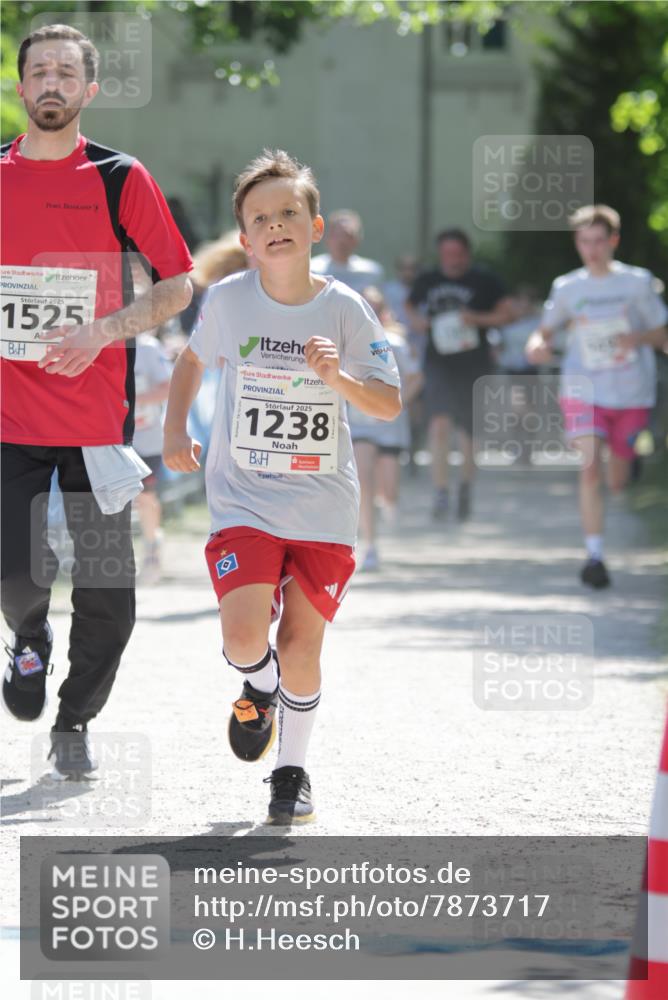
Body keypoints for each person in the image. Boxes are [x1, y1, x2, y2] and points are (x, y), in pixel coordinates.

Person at [163, 149, 401, 824]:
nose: (276, 225)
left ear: (315, 226)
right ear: (244, 238)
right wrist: (174, 431)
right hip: (244, 498)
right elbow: (189, 362)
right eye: (260, 217)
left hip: (323, 507)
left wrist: (339, 381)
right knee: (245, 638)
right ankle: (257, 684)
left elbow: (386, 405)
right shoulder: (231, 301)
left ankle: (290, 772)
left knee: (302, 648)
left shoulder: (347, 309)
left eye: (289, 212)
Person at [1, 25, 192, 777]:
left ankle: (74, 721)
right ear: (20, 89)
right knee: (14, 570)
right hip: (8, 417)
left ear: (89, 90)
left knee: (109, 593)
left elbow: (178, 283)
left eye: (65, 73)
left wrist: (104, 330)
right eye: (38, 71)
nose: (51, 83)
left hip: (94, 423)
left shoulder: (119, 177)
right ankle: (29, 635)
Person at [526, 204, 668, 588]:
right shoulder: (568, 287)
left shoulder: (637, 283)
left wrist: (636, 338)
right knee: (589, 467)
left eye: (599, 241)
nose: (592, 249)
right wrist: (537, 345)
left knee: (617, 481)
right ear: (577, 243)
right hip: (582, 387)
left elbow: (662, 334)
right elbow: (545, 331)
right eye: (585, 241)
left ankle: (627, 461)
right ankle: (594, 556)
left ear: (613, 241)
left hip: (631, 391)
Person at [405, 229, 515, 521]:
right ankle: (441, 491)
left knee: (469, 432)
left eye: (457, 255)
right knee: (439, 425)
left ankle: (465, 486)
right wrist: (419, 322)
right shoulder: (428, 280)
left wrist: (476, 319)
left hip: (474, 365)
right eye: (447, 255)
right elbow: (409, 307)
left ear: (467, 254)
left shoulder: (485, 280)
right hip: (438, 363)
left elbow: (508, 314)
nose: (452, 260)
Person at [348, 286, 423, 571]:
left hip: (389, 425)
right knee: (363, 478)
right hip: (358, 424)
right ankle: (371, 545)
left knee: (388, 492)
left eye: (375, 307)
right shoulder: (344, 341)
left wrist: (396, 404)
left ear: (383, 312)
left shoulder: (395, 343)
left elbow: (416, 378)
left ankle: (383, 508)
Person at [311, 209, 384, 293]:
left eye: (348, 235)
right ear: (327, 238)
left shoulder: (371, 273)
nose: (342, 241)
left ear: (357, 240)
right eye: (337, 235)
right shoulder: (313, 271)